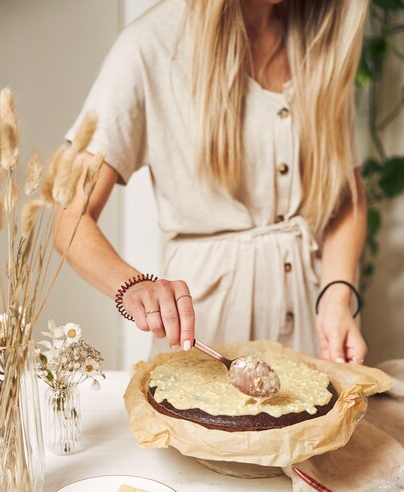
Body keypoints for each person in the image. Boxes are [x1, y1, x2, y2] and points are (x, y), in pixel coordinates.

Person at [57, 0, 369, 363]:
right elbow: (69, 219)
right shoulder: (150, 46)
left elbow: (346, 196)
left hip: (314, 324)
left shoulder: (322, 40)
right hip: (204, 333)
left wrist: (336, 295)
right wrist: (133, 285)